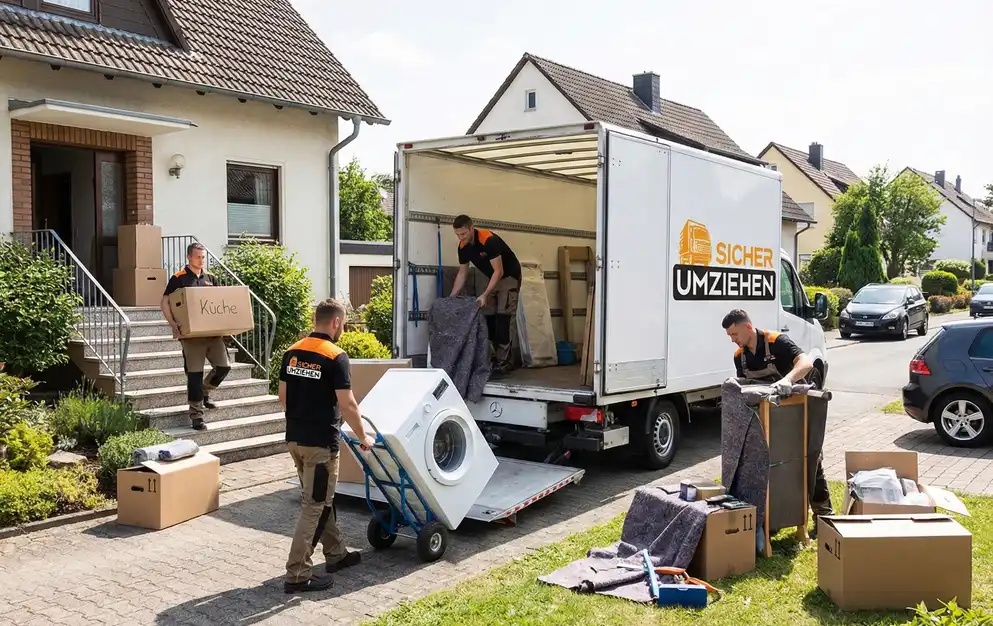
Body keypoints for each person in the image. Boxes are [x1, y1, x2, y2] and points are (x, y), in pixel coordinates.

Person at [279, 298, 375, 594]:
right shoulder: (335, 356)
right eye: (343, 324)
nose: (343, 329)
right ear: (335, 322)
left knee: (320, 501)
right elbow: (347, 403)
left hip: (295, 439)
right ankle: (297, 573)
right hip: (320, 444)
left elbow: (283, 397)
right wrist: (363, 437)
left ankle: (336, 554)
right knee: (315, 507)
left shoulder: (292, 352)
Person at [721, 308, 834, 525]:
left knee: (809, 461)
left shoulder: (777, 342)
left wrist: (787, 380)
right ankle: (774, 517)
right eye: (730, 336)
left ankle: (824, 516)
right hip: (769, 418)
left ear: (747, 327)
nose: (733, 340)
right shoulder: (740, 357)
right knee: (772, 467)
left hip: (797, 412)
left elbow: (806, 363)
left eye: (734, 335)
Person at [161, 242, 231, 431]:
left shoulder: (211, 278)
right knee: (194, 376)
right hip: (191, 338)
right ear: (189, 257)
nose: (201, 260)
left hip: (212, 334)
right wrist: (173, 324)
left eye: (203, 257)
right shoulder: (178, 278)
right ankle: (196, 416)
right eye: (198, 257)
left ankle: (205, 391)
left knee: (224, 367)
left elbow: (221, 302)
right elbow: (165, 301)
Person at [449, 215, 523, 375]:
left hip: (508, 276)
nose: (461, 238)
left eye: (463, 234)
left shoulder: (489, 240)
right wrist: (452, 297)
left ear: (471, 228)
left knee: (504, 318)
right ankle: (494, 357)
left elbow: (499, 271)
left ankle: (505, 361)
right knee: (488, 317)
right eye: (457, 235)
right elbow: (462, 273)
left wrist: (485, 294)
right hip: (491, 277)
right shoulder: (463, 246)